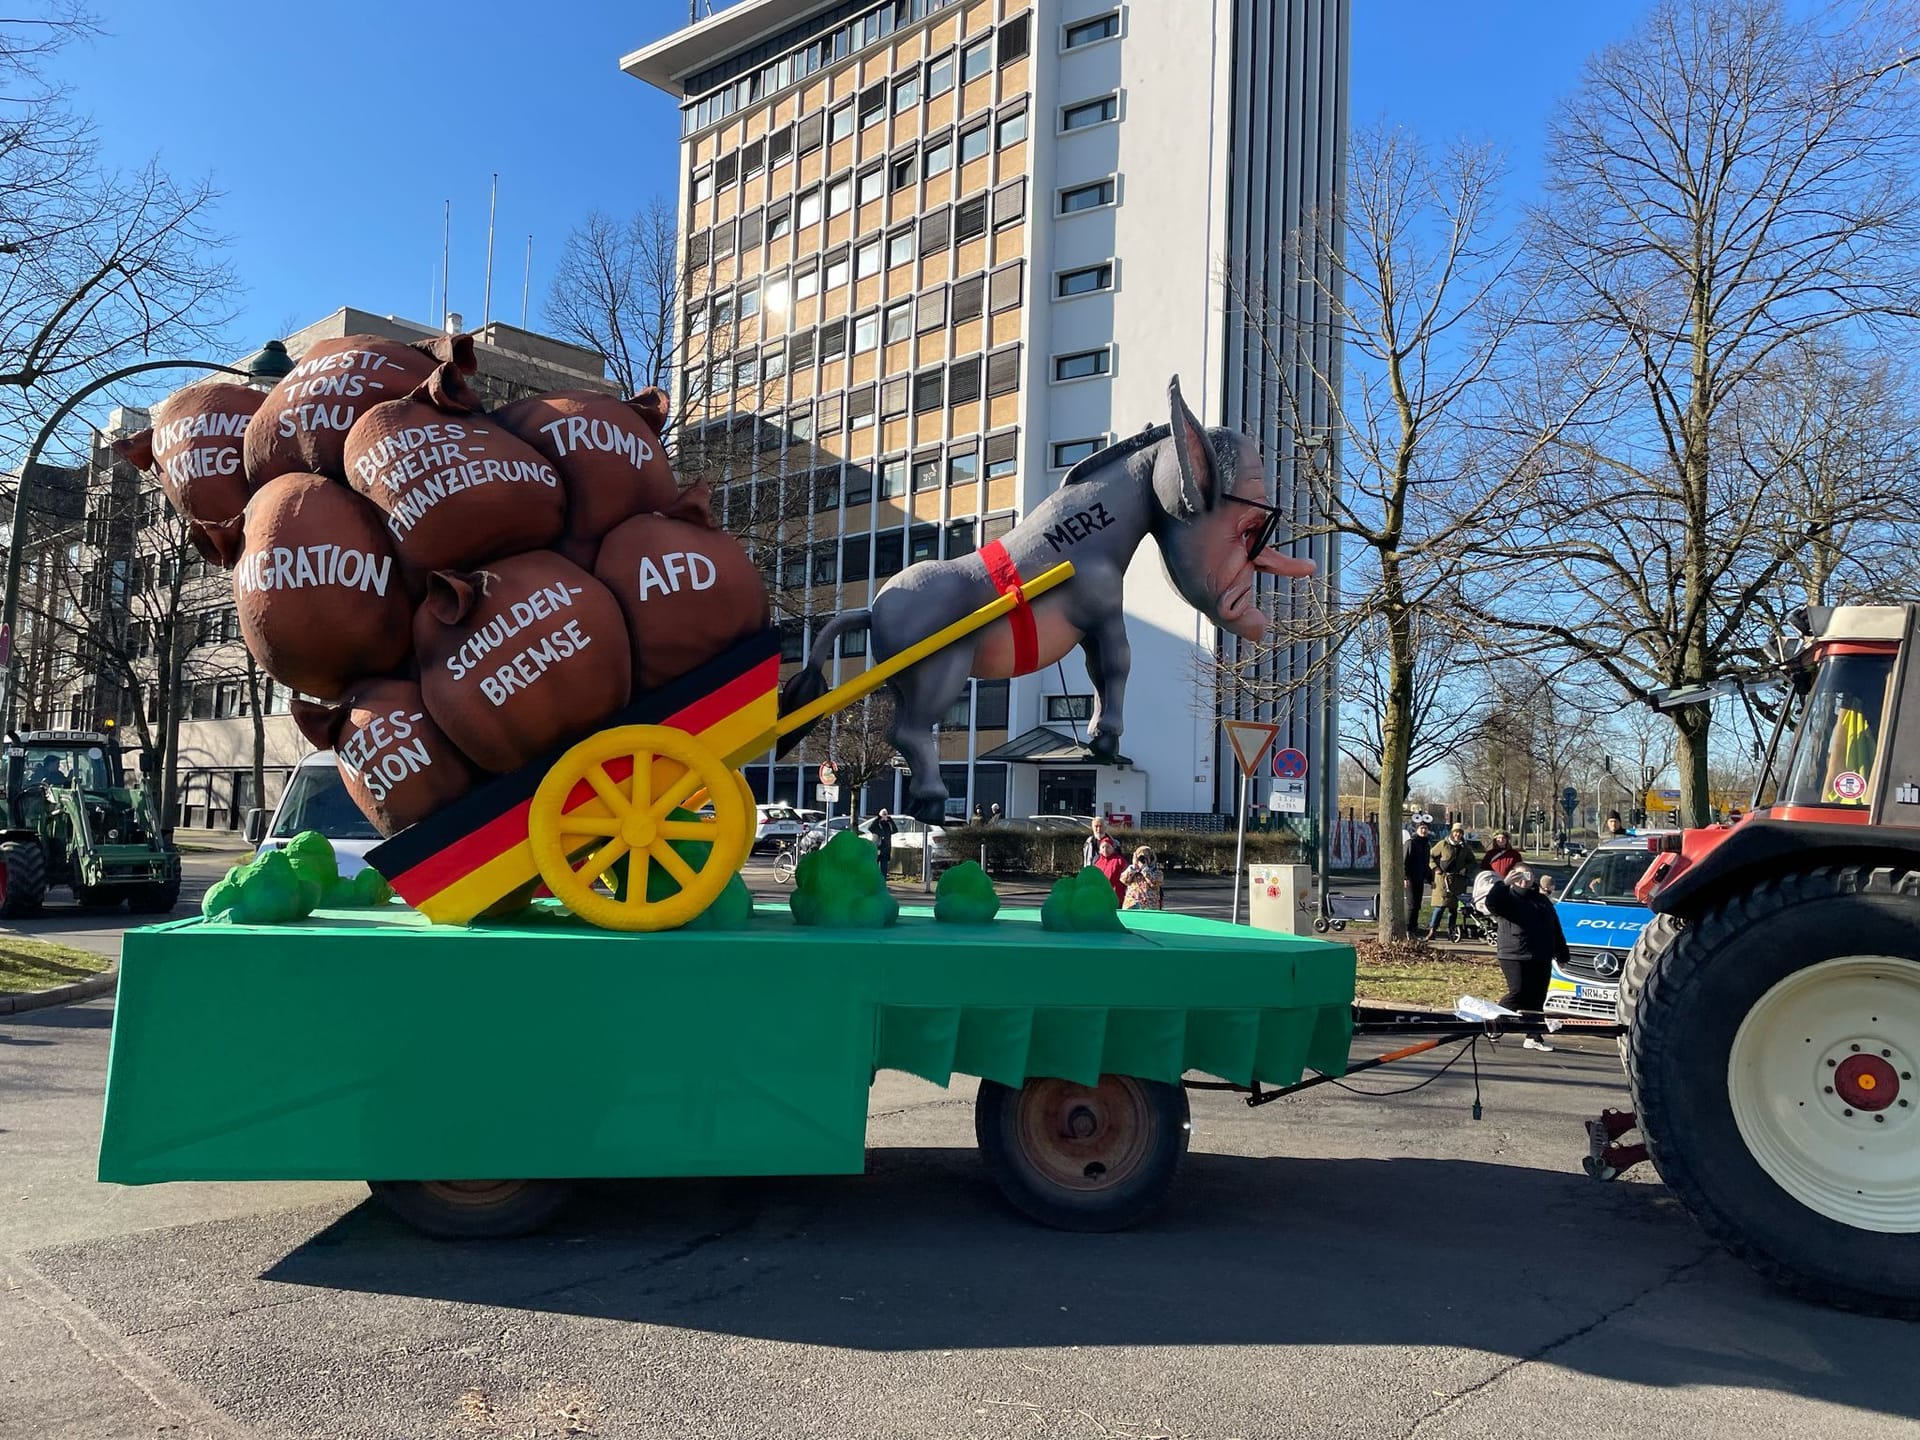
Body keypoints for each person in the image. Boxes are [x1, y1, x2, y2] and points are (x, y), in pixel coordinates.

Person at [1481, 865, 1570, 1052]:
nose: (1523, 879)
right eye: (1518, 875)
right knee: (1519, 992)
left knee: (1537, 997)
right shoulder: (1507, 897)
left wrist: (1562, 953)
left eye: (1527, 875)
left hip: (1540, 954)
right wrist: (1503, 884)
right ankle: (1495, 1022)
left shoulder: (1541, 900)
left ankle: (1534, 1035)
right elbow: (1492, 904)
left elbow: (1554, 927)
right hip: (1513, 953)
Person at [1425, 823, 1477, 942]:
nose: (1457, 835)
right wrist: (1435, 868)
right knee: (1440, 907)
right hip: (1443, 880)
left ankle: (1451, 931)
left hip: (1458, 881)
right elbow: (1430, 856)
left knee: (1453, 909)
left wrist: (1466, 869)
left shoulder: (1465, 848)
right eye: (1456, 832)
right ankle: (1432, 930)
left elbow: (1472, 862)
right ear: (1452, 833)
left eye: (1460, 833)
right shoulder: (1443, 844)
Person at [1402, 820, 1433, 934]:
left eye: (1425, 828)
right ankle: (1408, 928)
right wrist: (1405, 877)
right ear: (1417, 830)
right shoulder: (1411, 843)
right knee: (1412, 904)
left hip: (1419, 878)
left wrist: (1430, 879)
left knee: (1417, 904)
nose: (1424, 831)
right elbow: (1404, 861)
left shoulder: (1426, 845)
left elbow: (1425, 864)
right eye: (1421, 828)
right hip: (1410, 878)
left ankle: (1414, 927)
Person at [1120, 844, 1164, 911]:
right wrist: (1134, 867)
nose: (1142, 860)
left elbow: (1154, 883)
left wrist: (1145, 870)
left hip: (1149, 906)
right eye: (1140, 858)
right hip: (1131, 905)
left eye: (1145, 858)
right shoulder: (1132, 870)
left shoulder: (1157, 872)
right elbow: (1123, 880)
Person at [1092, 834, 1128, 903]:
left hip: (1115, 896)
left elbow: (1127, 877)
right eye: (1103, 847)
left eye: (1108, 847)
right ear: (1099, 850)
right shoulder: (1097, 862)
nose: (1105, 849)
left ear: (1113, 849)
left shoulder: (1119, 860)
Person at [870, 807, 896, 872]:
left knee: (884, 868)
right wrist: (878, 818)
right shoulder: (876, 825)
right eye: (883, 815)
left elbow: (895, 830)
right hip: (877, 849)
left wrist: (890, 820)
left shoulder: (887, 826)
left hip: (885, 850)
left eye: (885, 815)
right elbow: (870, 828)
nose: (884, 817)